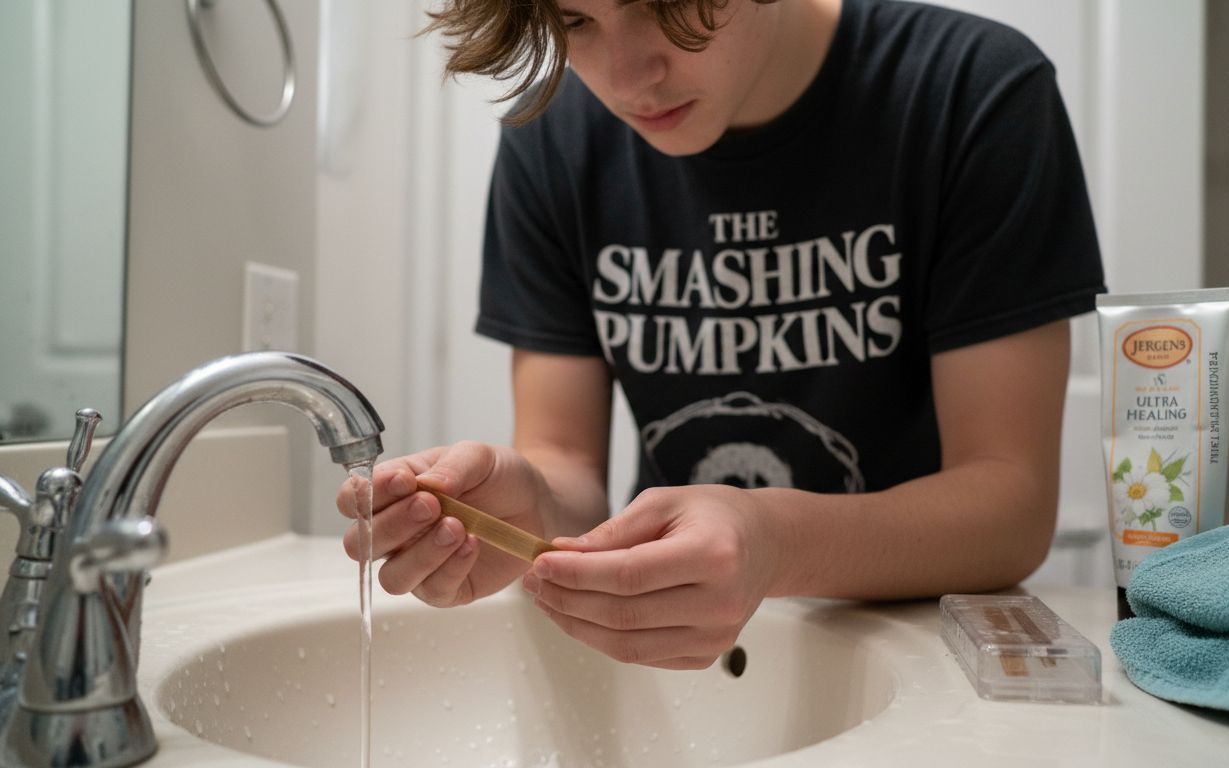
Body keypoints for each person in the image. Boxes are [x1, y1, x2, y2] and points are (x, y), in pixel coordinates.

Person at [338, 0, 1105, 670]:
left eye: (668, 3)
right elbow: (565, 460)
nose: (629, 79)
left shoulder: (971, 89)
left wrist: (772, 540)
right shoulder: (552, 138)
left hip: (919, 648)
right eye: (575, 21)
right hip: (675, 649)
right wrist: (529, 501)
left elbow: (1010, 504)